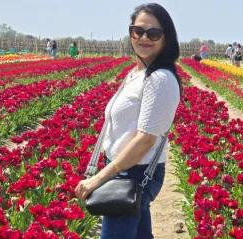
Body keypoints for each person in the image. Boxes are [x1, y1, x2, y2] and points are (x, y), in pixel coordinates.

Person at [75, 3, 181, 239]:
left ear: (167, 38)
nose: (144, 38)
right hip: (121, 167)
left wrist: (99, 179)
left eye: (154, 33)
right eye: (138, 31)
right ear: (130, 33)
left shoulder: (160, 79)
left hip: (134, 172)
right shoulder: (136, 74)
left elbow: (145, 140)